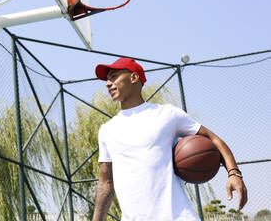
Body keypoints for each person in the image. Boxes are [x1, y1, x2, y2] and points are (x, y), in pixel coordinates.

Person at [92, 57, 248, 221]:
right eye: (107, 79)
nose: (108, 83)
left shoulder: (167, 114)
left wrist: (234, 174)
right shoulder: (107, 130)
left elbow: (214, 140)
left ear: (133, 77)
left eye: (114, 76)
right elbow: (106, 182)